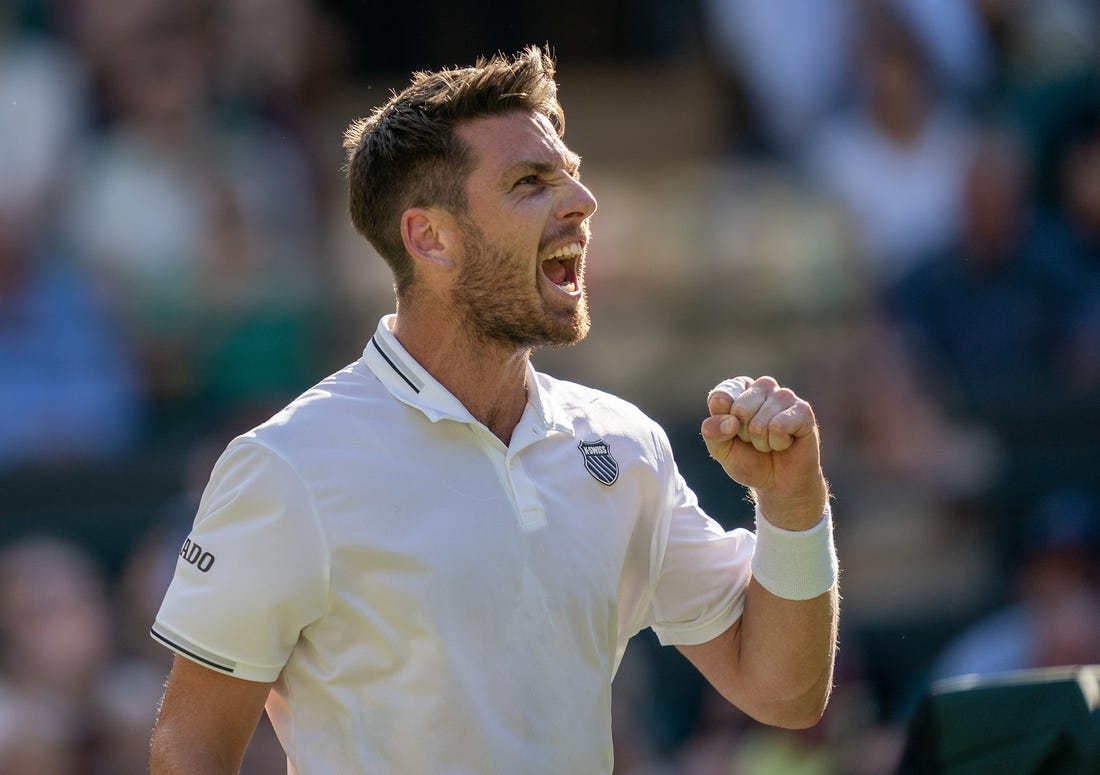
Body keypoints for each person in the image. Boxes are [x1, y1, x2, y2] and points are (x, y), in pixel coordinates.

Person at [147, 46, 839, 774]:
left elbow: (785, 693)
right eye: (531, 182)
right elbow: (189, 749)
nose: (582, 201)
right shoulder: (286, 464)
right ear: (430, 239)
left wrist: (792, 501)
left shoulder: (625, 444)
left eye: (570, 172)